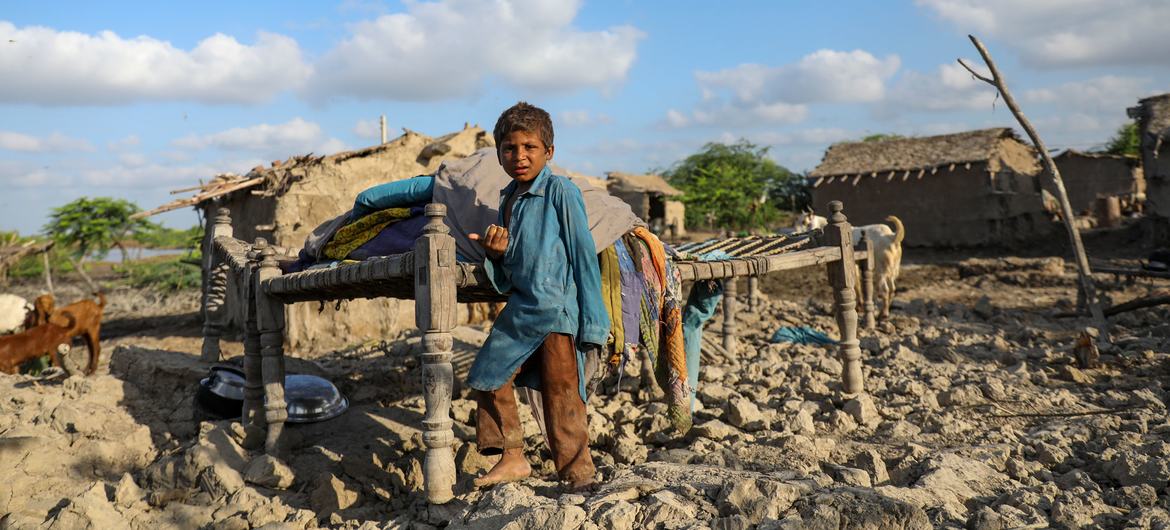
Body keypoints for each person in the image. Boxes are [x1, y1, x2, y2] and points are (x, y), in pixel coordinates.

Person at [466, 102, 608, 491]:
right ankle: (512, 456)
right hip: (524, 307)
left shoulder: (560, 191)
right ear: (498, 153)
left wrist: (594, 324)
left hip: (557, 310)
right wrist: (496, 255)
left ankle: (579, 475)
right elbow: (511, 272)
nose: (519, 156)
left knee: (562, 393)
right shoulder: (508, 198)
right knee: (488, 373)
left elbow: (582, 255)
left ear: (549, 151)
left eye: (529, 147)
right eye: (510, 149)